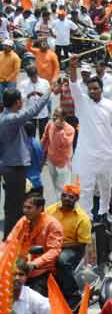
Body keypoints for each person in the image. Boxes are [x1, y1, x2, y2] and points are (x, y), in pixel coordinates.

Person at [67, 58, 112, 216]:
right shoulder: (82, 103)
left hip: (106, 155)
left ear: (101, 88)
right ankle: (87, 218)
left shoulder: (109, 105)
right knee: (86, 188)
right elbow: (73, 85)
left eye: (95, 88)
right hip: (87, 155)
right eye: (90, 89)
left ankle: (104, 215)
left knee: (106, 188)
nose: (92, 91)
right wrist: (73, 68)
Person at [0, 87, 52, 236]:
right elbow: (32, 112)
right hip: (13, 167)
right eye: (21, 100)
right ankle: (11, 240)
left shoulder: (6, 117)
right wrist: (49, 92)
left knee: (13, 204)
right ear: (17, 102)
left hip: (11, 166)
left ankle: (14, 238)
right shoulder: (9, 119)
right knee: (15, 207)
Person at [46, 183, 91, 303]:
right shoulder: (50, 210)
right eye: (64, 195)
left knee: (61, 260)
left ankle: (72, 294)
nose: (66, 199)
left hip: (72, 249)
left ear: (76, 199)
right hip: (50, 245)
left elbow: (82, 243)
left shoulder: (82, 218)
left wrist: (59, 246)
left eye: (71, 197)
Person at [14, 192, 64, 295]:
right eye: (24, 207)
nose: (25, 211)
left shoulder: (52, 224)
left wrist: (34, 264)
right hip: (20, 269)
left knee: (35, 303)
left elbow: (54, 250)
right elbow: (11, 241)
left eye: (29, 208)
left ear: (40, 208)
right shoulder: (23, 221)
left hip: (41, 271)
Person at [41, 108, 75, 198]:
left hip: (63, 162)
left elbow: (66, 143)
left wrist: (60, 131)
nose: (54, 117)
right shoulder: (50, 124)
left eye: (57, 115)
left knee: (64, 187)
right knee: (55, 185)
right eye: (54, 115)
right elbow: (45, 138)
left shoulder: (70, 129)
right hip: (51, 159)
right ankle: (58, 205)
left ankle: (64, 207)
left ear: (63, 117)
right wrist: (41, 153)